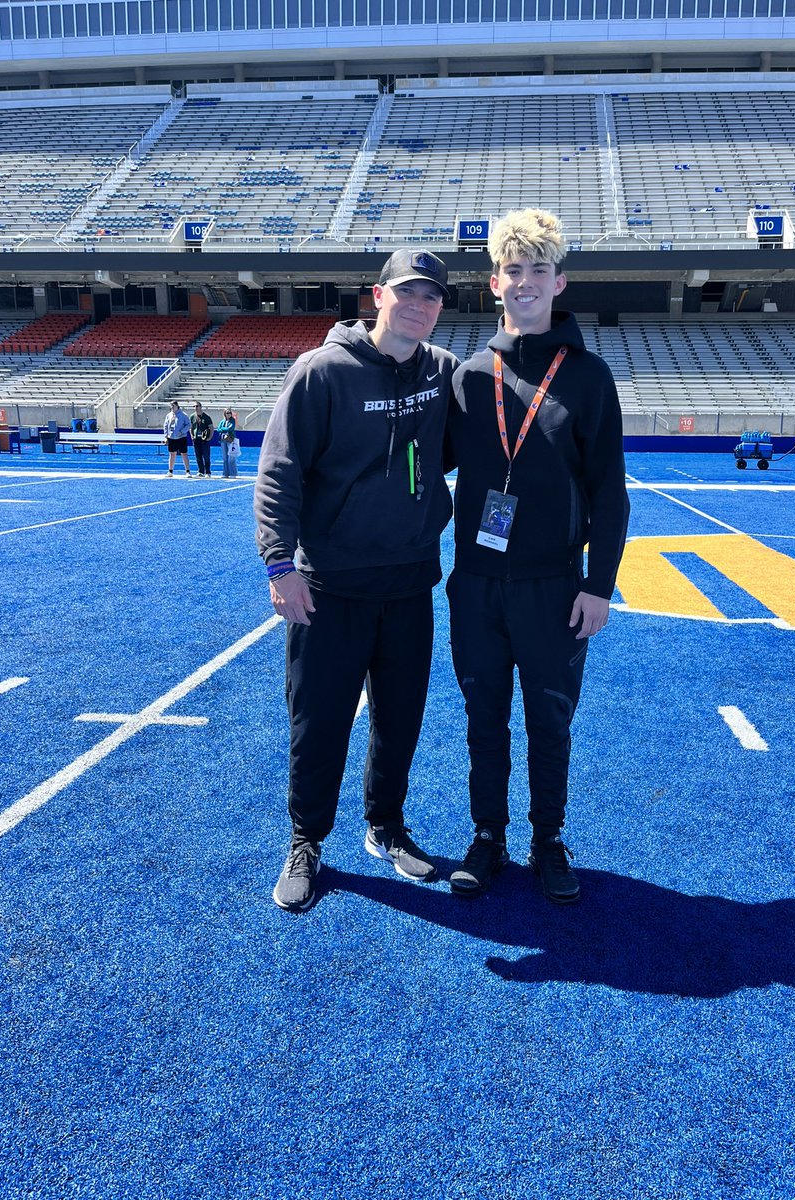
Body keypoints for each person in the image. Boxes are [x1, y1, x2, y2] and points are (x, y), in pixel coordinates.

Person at [254, 248, 457, 913]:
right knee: (319, 723)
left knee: (399, 721)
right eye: (409, 293)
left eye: (432, 297)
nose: (420, 306)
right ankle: (305, 842)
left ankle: (387, 827)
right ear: (378, 295)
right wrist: (280, 564)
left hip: (409, 586)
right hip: (330, 587)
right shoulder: (322, 372)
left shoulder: (442, 372)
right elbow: (279, 471)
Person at [445, 209, 630, 905]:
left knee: (549, 719)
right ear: (495, 282)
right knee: (483, 717)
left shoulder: (588, 377)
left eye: (538, 271)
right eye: (512, 271)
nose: (525, 283)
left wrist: (599, 585)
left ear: (559, 281)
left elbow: (610, 494)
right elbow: (418, 467)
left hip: (555, 587)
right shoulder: (468, 376)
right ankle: (487, 835)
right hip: (477, 586)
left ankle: (547, 837)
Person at [163, 399, 192, 477]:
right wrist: (166, 436)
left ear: (177, 406)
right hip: (171, 437)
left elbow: (189, 425)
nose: (172, 407)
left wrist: (182, 431)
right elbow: (165, 426)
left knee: (184, 454)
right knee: (172, 454)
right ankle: (170, 471)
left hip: (181, 437)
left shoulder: (183, 415)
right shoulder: (169, 415)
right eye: (171, 406)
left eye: (173, 405)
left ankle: (187, 471)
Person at [190, 401, 214, 477]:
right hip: (196, 438)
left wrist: (209, 437)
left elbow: (211, 428)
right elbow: (191, 427)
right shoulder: (192, 416)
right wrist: (192, 436)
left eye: (197, 406)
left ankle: (208, 472)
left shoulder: (206, 417)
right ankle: (200, 471)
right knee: (198, 456)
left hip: (204, 439)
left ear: (200, 406)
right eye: (194, 406)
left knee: (206, 456)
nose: (195, 408)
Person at [217, 408, 238, 477]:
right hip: (223, 439)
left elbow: (230, 428)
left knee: (231, 456)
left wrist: (222, 429)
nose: (228, 414)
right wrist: (222, 429)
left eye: (229, 413)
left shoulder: (232, 421)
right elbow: (218, 429)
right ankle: (225, 473)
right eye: (227, 413)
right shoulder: (222, 421)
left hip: (230, 439)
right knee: (225, 457)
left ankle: (233, 473)